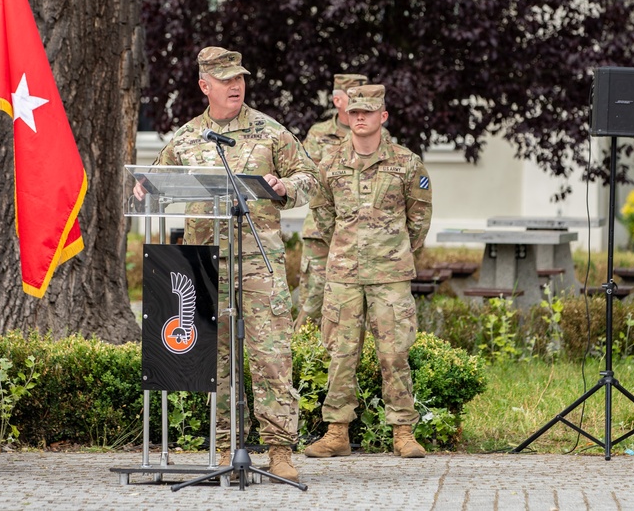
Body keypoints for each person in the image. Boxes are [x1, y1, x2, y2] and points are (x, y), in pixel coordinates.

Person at [150, 46, 319, 482]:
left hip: (259, 263)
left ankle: (280, 450)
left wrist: (285, 187)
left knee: (271, 357)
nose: (236, 86)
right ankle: (225, 445)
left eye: (240, 78)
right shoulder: (187, 138)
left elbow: (309, 179)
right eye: (225, 80)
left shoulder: (269, 131)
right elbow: (154, 180)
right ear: (205, 86)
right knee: (218, 361)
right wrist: (142, 189)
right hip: (205, 266)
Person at [302, 84, 432, 459]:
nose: (359, 117)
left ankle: (403, 431)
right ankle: (337, 431)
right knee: (341, 354)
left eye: (368, 112)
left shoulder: (407, 163)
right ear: (347, 115)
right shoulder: (329, 165)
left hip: (390, 275)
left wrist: (393, 250)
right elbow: (323, 215)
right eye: (354, 111)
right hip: (343, 274)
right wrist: (346, 247)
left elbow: (419, 218)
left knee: (394, 353)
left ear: (382, 117)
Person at [295, 72, 368, 329]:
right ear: (338, 101)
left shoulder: (377, 134)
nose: (362, 104)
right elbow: (306, 176)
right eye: (355, 98)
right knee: (313, 299)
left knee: (358, 303)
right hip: (320, 231)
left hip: (361, 231)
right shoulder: (319, 134)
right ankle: (305, 359)